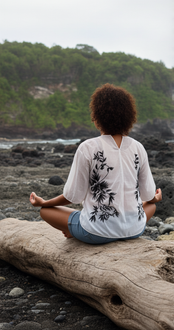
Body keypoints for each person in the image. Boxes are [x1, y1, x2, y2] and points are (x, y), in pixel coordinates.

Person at [30, 83, 162, 244]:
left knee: (45, 211)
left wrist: (45, 202)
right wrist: (155, 198)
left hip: (96, 233)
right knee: (152, 206)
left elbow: (73, 196)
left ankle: (76, 231)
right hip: (134, 230)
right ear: (129, 117)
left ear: (96, 117)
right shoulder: (138, 147)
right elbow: (149, 195)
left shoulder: (88, 147)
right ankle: (111, 228)